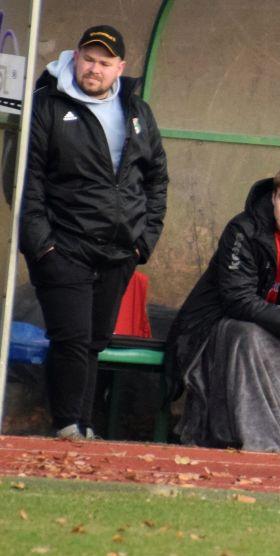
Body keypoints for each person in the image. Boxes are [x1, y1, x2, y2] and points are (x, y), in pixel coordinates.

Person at [20, 25, 168, 440]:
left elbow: (156, 178)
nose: (94, 68)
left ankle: (81, 429)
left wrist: (144, 241)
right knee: (71, 337)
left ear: (120, 67)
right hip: (63, 246)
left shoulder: (137, 111)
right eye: (88, 58)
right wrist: (42, 245)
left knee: (93, 342)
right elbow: (27, 180)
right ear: (75, 57)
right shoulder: (47, 105)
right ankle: (68, 426)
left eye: (105, 62)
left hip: (120, 250)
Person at [166, 163, 280, 392]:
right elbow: (237, 298)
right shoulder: (243, 229)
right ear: (273, 197)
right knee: (249, 338)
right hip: (223, 316)